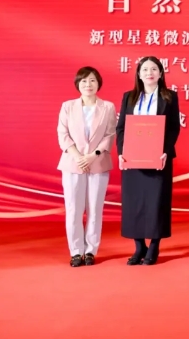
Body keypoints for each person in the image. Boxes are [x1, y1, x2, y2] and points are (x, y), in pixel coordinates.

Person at [116, 56, 180, 266]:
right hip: (133, 158)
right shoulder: (129, 97)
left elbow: (174, 127)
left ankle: (153, 246)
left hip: (158, 159)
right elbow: (121, 127)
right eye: (145, 69)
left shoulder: (169, 96)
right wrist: (121, 152)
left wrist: (166, 151)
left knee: (156, 202)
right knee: (134, 203)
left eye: (154, 69)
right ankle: (139, 247)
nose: (149, 73)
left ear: (160, 73)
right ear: (139, 74)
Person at [57, 67, 116, 267]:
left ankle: (90, 250)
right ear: (77, 84)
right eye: (83, 81)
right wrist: (78, 157)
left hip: (98, 163)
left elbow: (110, 134)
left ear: (98, 83)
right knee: (73, 209)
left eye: (92, 80)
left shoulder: (107, 107)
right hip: (72, 163)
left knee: (95, 209)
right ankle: (76, 251)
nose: (88, 85)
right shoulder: (68, 106)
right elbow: (63, 134)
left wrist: (92, 156)